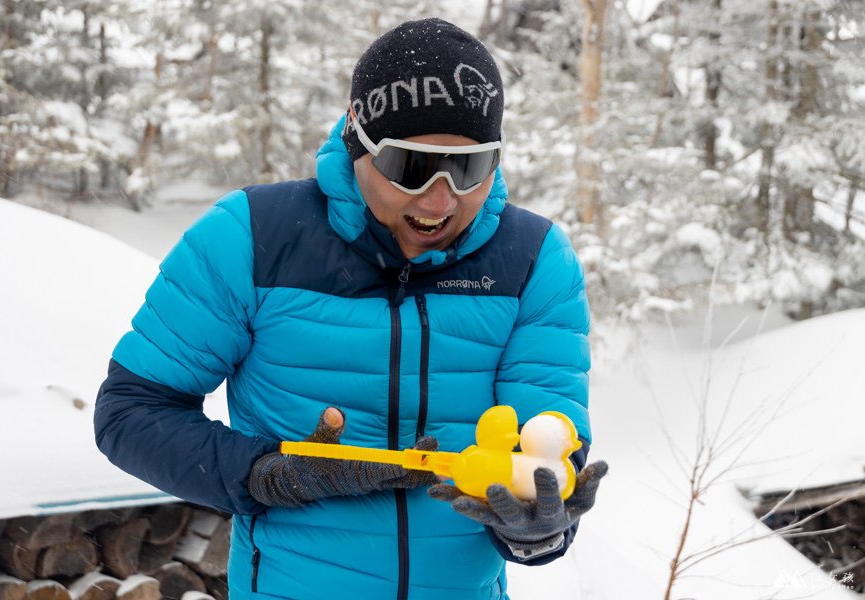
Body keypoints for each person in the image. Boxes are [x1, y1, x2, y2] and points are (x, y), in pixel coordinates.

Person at [95, 17, 606, 600]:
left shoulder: (534, 260)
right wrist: (268, 473)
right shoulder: (252, 238)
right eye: (411, 167)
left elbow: (547, 440)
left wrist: (538, 527)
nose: (440, 200)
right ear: (356, 140)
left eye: (468, 169)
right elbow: (130, 412)